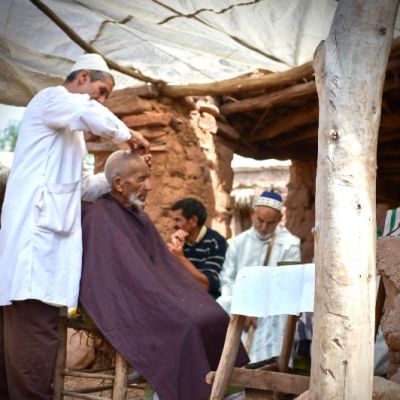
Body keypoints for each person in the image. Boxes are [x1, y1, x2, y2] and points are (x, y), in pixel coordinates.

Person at [0, 53, 149, 399]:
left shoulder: (72, 135)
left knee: (32, 338)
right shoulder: (52, 99)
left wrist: (118, 180)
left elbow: (83, 188)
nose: (101, 100)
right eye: (100, 91)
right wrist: (128, 135)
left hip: (48, 254)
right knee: (35, 339)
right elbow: (90, 112)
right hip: (33, 250)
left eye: (106, 96)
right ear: (82, 77)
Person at [79, 150, 248, 400]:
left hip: (155, 292)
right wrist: (157, 294)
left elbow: (159, 264)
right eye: (140, 179)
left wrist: (167, 288)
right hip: (129, 300)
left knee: (216, 317)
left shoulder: (139, 217)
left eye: (149, 177)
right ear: (118, 183)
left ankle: (225, 392)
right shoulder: (98, 216)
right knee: (185, 326)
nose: (149, 185)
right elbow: (111, 276)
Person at [217, 191, 301, 365]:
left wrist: (258, 307)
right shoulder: (239, 242)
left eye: (270, 223)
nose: (263, 227)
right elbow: (227, 278)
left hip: (271, 302)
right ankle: (231, 361)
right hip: (240, 301)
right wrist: (242, 306)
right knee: (222, 302)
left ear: (279, 220)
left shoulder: (290, 244)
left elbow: (286, 284)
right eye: (260, 221)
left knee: (282, 311)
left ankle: (271, 362)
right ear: (252, 215)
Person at [168, 198, 227, 298]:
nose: (173, 225)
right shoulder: (180, 242)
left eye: (177, 220)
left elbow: (206, 286)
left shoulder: (215, 242)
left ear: (193, 221)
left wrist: (181, 259)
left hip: (207, 303)